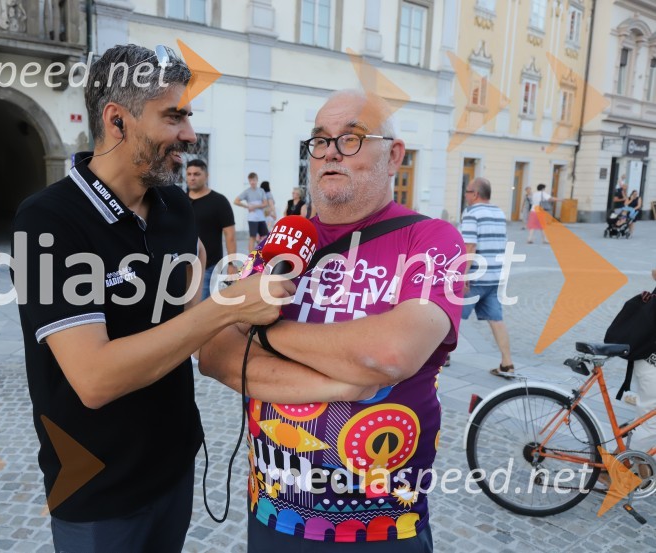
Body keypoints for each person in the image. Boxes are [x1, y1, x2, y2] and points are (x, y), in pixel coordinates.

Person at [11, 44, 292, 553]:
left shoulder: (175, 206)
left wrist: (256, 313)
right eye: (174, 116)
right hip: (96, 490)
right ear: (117, 121)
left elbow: (196, 328)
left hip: (175, 464)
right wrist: (225, 306)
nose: (189, 133)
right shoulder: (47, 221)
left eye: (188, 115)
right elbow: (93, 378)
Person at [201, 90, 464, 552]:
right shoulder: (280, 244)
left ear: (393, 155)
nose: (329, 154)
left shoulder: (432, 238)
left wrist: (261, 328)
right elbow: (216, 355)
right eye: (319, 141)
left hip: (382, 525)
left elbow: (389, 353)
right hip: (273, 513)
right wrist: (343, 383)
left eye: (351, 139)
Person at [461, 177, 515, 377]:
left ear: (475, 194)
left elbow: (470, 245)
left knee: (450, 315)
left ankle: (442, 357)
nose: (465, 195)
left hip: (475, 276)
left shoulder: (472, 213)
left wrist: (463, 274)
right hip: (495, 276)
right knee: (496, 319)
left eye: (467, 191)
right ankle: (507, 363)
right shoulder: (499, 213)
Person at [186, 158, 237, 299]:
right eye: (189, 174)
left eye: (196, 174)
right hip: (183, 265)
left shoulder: (219, 201)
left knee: (200, 308)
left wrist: (231, 264)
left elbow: (230, 235)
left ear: (206, 176)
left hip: (209, 267)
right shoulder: (181, 200)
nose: (192, 178)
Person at [235, 172, 269, 252]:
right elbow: (236, 201)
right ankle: (251, 257)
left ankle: (263, 254)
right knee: (252, 237)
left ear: (257, 180)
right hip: (252, 218)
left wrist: (254, 206)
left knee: (265, 236)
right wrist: (247, 206)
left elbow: (265, 203)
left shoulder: (261, 191)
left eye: (254, 180)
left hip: (261, 218)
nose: (252, 182)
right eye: (250, 180)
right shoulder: (247, 191)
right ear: (249, 181)